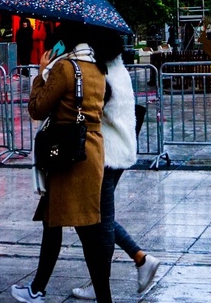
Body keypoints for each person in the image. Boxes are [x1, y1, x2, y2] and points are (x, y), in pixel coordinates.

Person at [12, 23, 113, 303]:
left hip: (67, 155)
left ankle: (104, 299)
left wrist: (40, 74)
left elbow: (37, 109)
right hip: (90, 152)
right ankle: (37, 288)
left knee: (86, 231)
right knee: (53, 221)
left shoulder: (65, 68)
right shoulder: (97, 68)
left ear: (64, 42)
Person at [70, 27, 162, 300]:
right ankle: (136, 260)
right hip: (118, 151)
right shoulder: (117, 68)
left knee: (98, 222)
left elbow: (91, 110)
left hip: (105, 154)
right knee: (99, 219)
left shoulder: (100, 73)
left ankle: (111, 278)